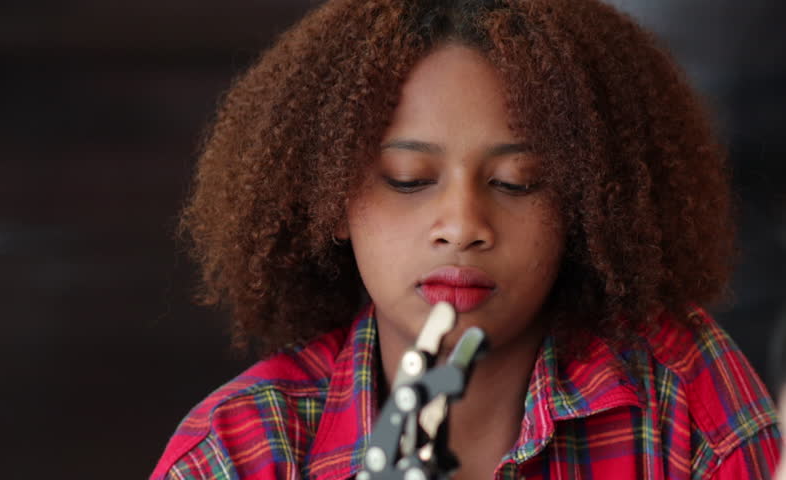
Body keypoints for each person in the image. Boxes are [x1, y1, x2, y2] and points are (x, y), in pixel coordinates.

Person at [151, 0, 782, 478]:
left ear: (586, 205)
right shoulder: (237, 451)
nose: (461, 226)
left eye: (516, 182)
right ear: (331, 198)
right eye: (408, 179)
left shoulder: (680, 397)